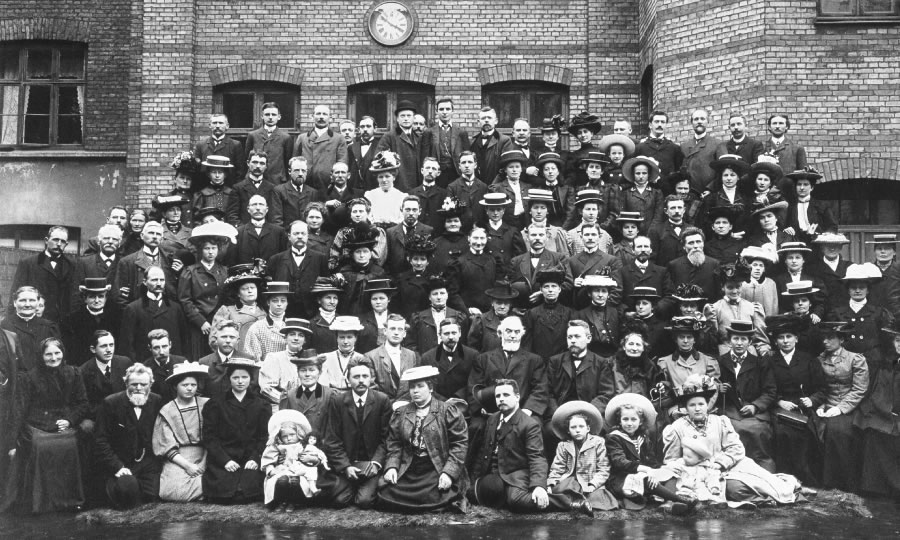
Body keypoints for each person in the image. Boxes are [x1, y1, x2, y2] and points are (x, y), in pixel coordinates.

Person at [663, 374, 803, 506]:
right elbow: (671, 460)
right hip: (696, 473)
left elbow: (736, 448)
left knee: (762, 480)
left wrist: (720, 463)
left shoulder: (719, 421)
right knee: (735, 490)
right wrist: (690, 467)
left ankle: (786, 489)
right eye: (692, 405)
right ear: (686, 408)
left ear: (707, 405)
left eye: (701, 404)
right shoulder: (677, 428)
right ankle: (763, 500)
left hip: (726, 466)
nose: (697, 409)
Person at [469, 379, 590, 515]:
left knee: (516, 500)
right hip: (495, 475)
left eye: (506, 395)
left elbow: (537, 457)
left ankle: (571, 502)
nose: (501, 399)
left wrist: (539, 486)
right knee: (471, 494)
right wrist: (475, 480)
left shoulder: (529, 424)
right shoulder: (492, 419)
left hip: (517, 474)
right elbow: (483, 453)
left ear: (517, 397)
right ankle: (500, 495)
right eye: (498, 396)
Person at [2, 338, 87, 514]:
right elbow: (20, 410)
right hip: (37, 423)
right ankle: (42, 501)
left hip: (64, 421)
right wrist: (12, 442)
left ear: (63, 354)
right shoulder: (30, 378)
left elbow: (83, 403)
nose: (53, 357)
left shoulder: (74, 373)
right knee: (41, 445)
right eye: (48, 354)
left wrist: (70, 420)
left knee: (71, 444)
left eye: (57, 353)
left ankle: (69, 499)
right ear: (41, 356)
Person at [378, 365, 469, 513]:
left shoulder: (447, 411)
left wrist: (449, 473)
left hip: (436, 465)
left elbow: (459, 445)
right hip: (410, 465)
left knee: (440, 493)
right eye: (412, 387)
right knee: (386, 492)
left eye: (420, 386)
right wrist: (392, 466)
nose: (415, 391)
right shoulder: (401, 413)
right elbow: (394, 443)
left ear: (431, 388)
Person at [321, 357, 393, 509]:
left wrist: (376, 463)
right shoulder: (338, 401)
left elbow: (387, 437)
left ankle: (368, 486)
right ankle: (351, 485)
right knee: (339, 501)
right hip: (349, 464)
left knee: (364, 502)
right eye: (356, 376)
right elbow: (332, 439)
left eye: (365, 376)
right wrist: (345, 466)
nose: (361, 380)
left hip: (371, 465)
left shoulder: (382, 400)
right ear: (348, 379)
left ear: (372, 378)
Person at [605, 393, 694, 513]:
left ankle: (668, 503)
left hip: (642, 473)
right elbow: (620, 462)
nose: (629, 423)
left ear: (640, 422)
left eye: (633, 419)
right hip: (621, 478)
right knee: (646, 479)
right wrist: (647, 470)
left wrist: (661, 469)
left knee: (671, 473)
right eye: (625, 419)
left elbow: (651, 460)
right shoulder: (614, 438)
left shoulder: (642, 437)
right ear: (619, 421)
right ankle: (681, 500)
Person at [764, 313, 825, 483]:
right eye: (781, 338)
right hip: (779, 407)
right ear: (775, 341)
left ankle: (808, 477)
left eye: (789, 336)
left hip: (803, 405)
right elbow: (764, 387)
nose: (785, 341)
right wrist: (778, 401)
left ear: (796, 339)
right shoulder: (769, 361)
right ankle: (786, 477)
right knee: (783, 433)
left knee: (810, 431)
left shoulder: (808, 359)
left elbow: (822, 388)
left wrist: (812, 399)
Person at [809, 322, 869, 492]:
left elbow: (859, 390)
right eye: (824, 338)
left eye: (830, 338)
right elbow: (817, 386)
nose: (825, 342)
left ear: (841, 339)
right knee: (813, 427)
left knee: (838, 431)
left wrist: (840, 408)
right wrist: (821, 404)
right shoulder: (819, 360)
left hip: (850, 407)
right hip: (825, 404)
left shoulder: (855, 359)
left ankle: (840, 482)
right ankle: (818, 479)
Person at [94, 363, 163, 509]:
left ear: (150, 384)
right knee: (128, 492)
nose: (139, 388)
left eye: (143, 384)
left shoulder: (156, 401)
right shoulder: (111, 403)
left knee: (152, 496)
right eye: (134, 384)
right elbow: (101, 441)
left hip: (147, 463)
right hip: (121, 462)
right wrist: (117, 466)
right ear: (126, 384)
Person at [202, 357, 270, 503]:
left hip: (250, 457)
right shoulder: (215, 403)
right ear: (229, 379)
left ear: (251, 379)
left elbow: (264, 437)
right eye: (236, 377)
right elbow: (210, 437)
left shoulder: (261, 405)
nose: (240, 381)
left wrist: (255, 458)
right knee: (226, 492)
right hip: (226, 456)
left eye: (244, 377)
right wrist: (225, 460)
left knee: (249, 490)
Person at [716, 320, 777, 472]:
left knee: (757, 431)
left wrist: (755, 406)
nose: (739, 343)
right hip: (729, 410)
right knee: (729, 430)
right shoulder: (720, 362)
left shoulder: (760, 363)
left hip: (755, 413)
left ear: (750, 342)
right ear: (729, 341)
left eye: (743, 339)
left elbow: (770, 391)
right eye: (735, 338)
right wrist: (718, 388)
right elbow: (710, 388)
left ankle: (764, 474)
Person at [854, 320, 900, 497]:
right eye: (897, 341)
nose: (899, 345)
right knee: (874, 431)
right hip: (886, 412)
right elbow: (879, 391)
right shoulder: (890, 363)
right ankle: (878, 490)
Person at [151, 362, 209, 502]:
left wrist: (203, 463)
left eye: (193, 385)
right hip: (179, 457)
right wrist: (188, 466)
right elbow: (166, 445)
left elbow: (215, 438)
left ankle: (206, 488)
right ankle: (204, 491)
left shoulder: (207, 404)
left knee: (218, 479)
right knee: (171, 492)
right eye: (185, 385)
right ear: (175, 386)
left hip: (207, 454)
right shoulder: (167, 410)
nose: (189, 388)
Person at [547, 401, 619, 512]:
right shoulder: (563, 445)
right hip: (570, 482)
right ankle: (576, 502)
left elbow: (603, 469)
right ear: (568, 430)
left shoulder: (598, 442)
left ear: (588, 428)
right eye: (573, 427)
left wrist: (593, 485)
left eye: (581, 426)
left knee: (598, 499)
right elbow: (557, 468)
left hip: (589, 481)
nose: (577, 430)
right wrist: (551, 483)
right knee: (559, 490)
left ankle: (575, 502)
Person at [545, 320, 615, 426]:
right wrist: (558, 413)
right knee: (549, 432)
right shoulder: (555, 361)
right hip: (561, 415)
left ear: (588, 338)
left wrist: (587, 412)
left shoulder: (601, 363)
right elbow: (547, 392)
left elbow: (606, 394)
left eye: (577, 337)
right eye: (570, 337)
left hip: (590, 415)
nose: (573, 341)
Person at [179, 227, 230, 360]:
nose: (210, 252)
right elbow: (185, 300)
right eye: (207, 248)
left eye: (213, 248)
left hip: (219, 321)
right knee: (199, 357)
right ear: (201, 250)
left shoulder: (224, 271)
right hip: (198, 324)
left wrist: (222, 319)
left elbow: (228, 298)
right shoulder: (190, 271)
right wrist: (200, 321)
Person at [656, 318, 721, 422]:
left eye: (689, 337)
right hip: (677, 410)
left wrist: (705, 409)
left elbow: (715, 389)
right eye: (682, 337)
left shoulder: (708, 361)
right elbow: (666, 390)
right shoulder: (665, 362)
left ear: (695, 339)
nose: (685, 341)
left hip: (703, 410)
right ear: (675, 339)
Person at [118, 265, 187, 361]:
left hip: (172, 364)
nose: (159, 284)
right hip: (144, 366)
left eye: (162, 280)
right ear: (145, 282)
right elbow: (127, 344)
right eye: (154, 280)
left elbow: (184, 341)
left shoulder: (175, 308)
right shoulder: (133, 309)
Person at [7, 225, 76, 322]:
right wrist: (9, 321)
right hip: (35, 320)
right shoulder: (28, 263)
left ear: (66, 244)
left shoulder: (72, 265)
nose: (59, 244)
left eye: (63, 241)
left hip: (62, 323)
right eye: (55, 240)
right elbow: (16, 293)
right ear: (46, 240)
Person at [261, 409, 323, 510]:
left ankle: (294, 502)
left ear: (298, 434)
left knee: (296, 482)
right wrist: (271, 470)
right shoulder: (277, 446)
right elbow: (268, 460)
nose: (289, 438)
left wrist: (312, 459)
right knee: (282, 481)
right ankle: (281, 501)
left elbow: (315, 455)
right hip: (281, 470)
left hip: (300, 471)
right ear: (279, 436)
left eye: (292, 435)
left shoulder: (303, 446)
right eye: (285, 436)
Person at [267, 220, 331, 319]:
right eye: (296, 233)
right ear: (289, 236)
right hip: (284, 313)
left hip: (312, 313)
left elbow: (324, 286)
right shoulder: (276, 259)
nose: (300, 236)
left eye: (303, 233)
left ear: (307, 236)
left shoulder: (320, 258)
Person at [828, 262, 893, 358]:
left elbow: (887, 341)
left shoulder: (879, 312)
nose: (857, 291)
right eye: (853, 288)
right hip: (845, 361)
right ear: (848, 290)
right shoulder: (837, 313)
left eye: (861, 287)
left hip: (872, 360)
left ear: (868, 290)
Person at [111, 220, 178, 309]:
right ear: (142, 236)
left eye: (158, 234)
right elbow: (119, 295)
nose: (154, 237)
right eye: (151, 233)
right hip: (139, 314)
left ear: (161, 239)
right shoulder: (127, 262)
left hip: (165, 313)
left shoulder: (170, 260)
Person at [420, 318, 478, 407]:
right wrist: (445, 402)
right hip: (438, 406)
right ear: (439, 335)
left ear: (460, 333)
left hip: (464, 405)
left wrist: (457, 398)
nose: (450, 337)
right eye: (446, 333)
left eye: (454, 333)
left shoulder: (472, 355)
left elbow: (474, 383)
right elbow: (427, 386)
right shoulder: (427, 357)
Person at [61, 277, 121, 364]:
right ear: (85, 299)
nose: (97, 301)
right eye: (92, 297)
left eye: (100, 296)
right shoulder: (71, 320)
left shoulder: (116, 318)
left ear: (106, 298)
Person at [259, 318, 314, 412]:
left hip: (308, 407)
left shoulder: (311, 359)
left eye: (300, 335)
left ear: (304, 340)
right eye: (292, 334)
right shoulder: (274, 358)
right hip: (281, 407)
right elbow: (267, 389)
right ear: (285, 338)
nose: (296, 338)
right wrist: (289, 401)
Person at [1, 287, 61, 373]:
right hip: (14, 380)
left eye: (32, 300)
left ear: (37, 302)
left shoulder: (49, 327)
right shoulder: (4, 326)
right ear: (14, 303)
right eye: (22, 300)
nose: (27, 304)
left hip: (43, 379)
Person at [210, 262, 268, 351]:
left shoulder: (265, 310)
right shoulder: (227, 311)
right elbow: (214, 340)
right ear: (238, 294)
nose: (250, 291)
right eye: (245, 289)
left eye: (252, 288)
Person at [405, 274, 468, 355]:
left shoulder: (459, 317)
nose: (439, 297)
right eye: (435, 294)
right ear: (429, 297)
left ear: (447, 295)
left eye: (442, 293)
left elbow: (464, 344)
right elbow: (410, 344)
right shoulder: (418, 318)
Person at [335, 223, 387, 316]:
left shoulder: (378, 272)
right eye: (358, 252)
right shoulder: (344, 272)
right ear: (352, 254)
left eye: (365, 251)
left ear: (371, 254)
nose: (362, 255)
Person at [279, 349, 336, 432]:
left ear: (319, 372)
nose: (307, 374)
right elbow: (284, 425)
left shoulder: (330, 395)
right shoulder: (289, 396)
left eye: (311, 370)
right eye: (303, 370)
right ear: (298, 373)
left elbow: (333, 427)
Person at [293, 104, 348, 191]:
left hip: (329, 187)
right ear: (312, 117)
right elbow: (294, 162)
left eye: (324, 114)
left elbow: (342, 164)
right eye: (318, 114)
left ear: (330, 118)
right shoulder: (302, 138)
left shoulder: (338, 139)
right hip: (306, 185)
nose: (321, 117)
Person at [419, 98, 471, 188]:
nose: (444, 112)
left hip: (456, 174)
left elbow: (467, 155)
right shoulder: (429, 132)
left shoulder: (461, 132)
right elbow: (425, 157)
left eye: (447, 109)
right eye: (441, 109)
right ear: (437, 111)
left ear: (452, 111)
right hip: (437, 175)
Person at [366, 314, 419, 400]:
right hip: (382, 406)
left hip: (407, 406)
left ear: (404, 333)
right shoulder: (371, 356)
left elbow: (413, 384)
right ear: (385, 331)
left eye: (400, 329)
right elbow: (372, 388)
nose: (396, 333)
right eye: (392, 328)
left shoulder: (411, 355)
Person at [664, 227, 721, 307]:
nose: (695, 246)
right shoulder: (674, 265)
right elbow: (671, 293)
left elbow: (718, 293)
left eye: (698, 242)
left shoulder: (714, 264)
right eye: (691, 243)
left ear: (703, 243)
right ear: (684, 246)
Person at [70, 224, 122, 312]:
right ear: (99, 241)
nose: (110, 241)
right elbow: (76, 294)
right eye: (106, 238)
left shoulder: (124, 263)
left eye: (115, 239)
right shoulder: (84, 263)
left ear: (119, 243)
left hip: (116, 316)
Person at [375, 100, 421, 191]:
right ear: (397, 119)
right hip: (398, 184)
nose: (406, 119)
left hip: (417, 184)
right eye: (402, 116)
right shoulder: (389, 136)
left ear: (414, 118)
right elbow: (378, 160)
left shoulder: (419, 137)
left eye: (409, 116)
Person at [700, 154, 751, 235]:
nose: (729, 178)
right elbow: (706, 223)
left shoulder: (746, 198)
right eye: (725, 175)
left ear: (738, 177)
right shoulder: (711, 199)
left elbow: (749, 222)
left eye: (732, 175)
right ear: (721, 177)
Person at [230, 194, 288, 265]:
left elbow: (283, 260)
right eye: (254, 204)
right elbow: (232, 261)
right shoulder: (238, 232)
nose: (258, 208)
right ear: (248, 209)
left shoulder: (279, 232)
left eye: (261, 204)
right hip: (246, 274)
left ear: (267, 209)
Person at [245, 102, 293, 185]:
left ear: (279, 117)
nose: (270, 117)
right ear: (262, 116)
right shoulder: (253, 135)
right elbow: (246, 158)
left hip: (277, 182)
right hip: (256, 180)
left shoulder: (286, 137)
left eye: (273, 115)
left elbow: (287, 162)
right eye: (267, 114)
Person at [384, 196, 433, 275]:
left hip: (419, 277)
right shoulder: (390, 232)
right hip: (397, 277)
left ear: (420, 211)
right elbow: (387, 258)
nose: (411, 213)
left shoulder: (428, 230)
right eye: (407, 209)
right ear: (401, 210)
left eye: (414, 210)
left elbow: (430, 258)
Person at [271, 156, 324, 228]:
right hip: (287, 234)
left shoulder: (313, 193)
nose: (300, 174)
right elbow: (277, 220)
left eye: (303, 171)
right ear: (289, 171)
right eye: (296, 170)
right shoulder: (279, 191)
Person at [193, 114, 246, 187]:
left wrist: (235, 190)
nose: (217, 126)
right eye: (214, 123)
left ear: (227, 126)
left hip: (228, 189)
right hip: (205, 189)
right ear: (209, 125)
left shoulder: (235, 145)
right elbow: (197, 170)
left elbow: (240, 171)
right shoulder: (201, 145)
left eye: (221, 123)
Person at [226, 151, 276, 226]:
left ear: (266, 166)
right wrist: (242, 230)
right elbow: (232, 215)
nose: (258, 166)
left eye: (262, 163)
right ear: (248, 163)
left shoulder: (272, 188)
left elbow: (274, 215)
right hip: (244, 232)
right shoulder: (238, 188)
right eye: (255, 162)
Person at [244, 281, 290, 363]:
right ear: (268, 302)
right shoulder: (257, 328)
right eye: (275, 301)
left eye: (283, 301)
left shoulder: (291, 325)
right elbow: (252, 360)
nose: (279, 304)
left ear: (287, 303)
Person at [467, 280, 518, 353]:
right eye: (499, 302)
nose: (502, 306)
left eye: (506, 303)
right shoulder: (481, 320)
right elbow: (472, 349)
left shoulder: (517, 320)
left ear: (510, 304)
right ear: (492, 303)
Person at [681, 108, 721, 196]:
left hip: (709, 193)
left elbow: (722, 171)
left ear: (708, 122)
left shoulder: (717, 144)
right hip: (689, 194)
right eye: (696, 119)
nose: (699, 121)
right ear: (691, 123)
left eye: (702, 119)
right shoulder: (684, 146)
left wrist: (711, 188)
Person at [635, 111, 684, 182]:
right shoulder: (640, 147)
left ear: (666, 125)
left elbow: (678, 170)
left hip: (668, 190)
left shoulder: (674, 148)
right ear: (650, 125)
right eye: (656, 122)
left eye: (663, 122)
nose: (660, 125)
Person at [320, 316, 367, 390]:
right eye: (342, 337)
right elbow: (323, 384)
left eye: (349, 337)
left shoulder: (362, 358)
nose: (345, 342)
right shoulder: (326, 358)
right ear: (337, 338)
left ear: (356, 338)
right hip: (332, 396)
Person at [470, 107, 512, 185]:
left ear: (496, 121)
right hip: (476, 187)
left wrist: (494, 185)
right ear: (478, 122)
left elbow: (505, 167)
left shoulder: (504, 141)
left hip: (496, 187)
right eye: (483, 118)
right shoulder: (472, 142)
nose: (486, 120)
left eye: (489, 118)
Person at [364, 151, 407, 228]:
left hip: (395, 231)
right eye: (380, 177)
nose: (384, 180)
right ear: (377, 178)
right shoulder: (370, 195)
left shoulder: (401, 196)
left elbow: (403, 217)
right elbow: (368, 216)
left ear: (394, 177)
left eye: (387, 176)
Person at [739, 245, 780, 318]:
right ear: (748, 267)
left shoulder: (770, 283)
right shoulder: (743, 283)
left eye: (761, 266)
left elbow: (774, 306)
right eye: (755, 265)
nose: (758, 268)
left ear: (764, 269)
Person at [408, 157, 449, 230]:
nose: (430, 171)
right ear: (422, 170)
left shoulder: (444, 194)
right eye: (427, 168)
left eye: (433, 169)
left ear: (438, 173)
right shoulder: (412, 193)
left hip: (437, 235)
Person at [192, 156, 235, 221]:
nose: (217, 176)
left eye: (220, 172)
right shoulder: (202, 194)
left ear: (225, 174)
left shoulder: (231, 193)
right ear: (208, 174)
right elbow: (197, 216)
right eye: (214, 172)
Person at [308, 277, 343, 353]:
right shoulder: (311, 324)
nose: (332, 302)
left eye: (335, 298)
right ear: (319, 300)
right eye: (328, 298)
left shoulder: (343, 321)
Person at [347, 116, 379, 191]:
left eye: (368, 126)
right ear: (358, 130)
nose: (365, 129)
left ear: (375, 128)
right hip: (354, 191)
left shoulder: (381, 146)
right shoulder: (351, 147)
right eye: (362, 127)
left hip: (373, 190)